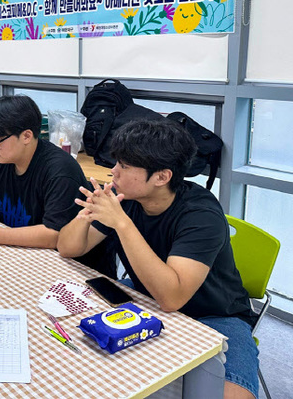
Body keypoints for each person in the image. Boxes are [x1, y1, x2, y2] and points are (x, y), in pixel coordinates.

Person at [56, 118, 258, 399]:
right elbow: (67, 248)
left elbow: (172, 298)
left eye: (124, 166)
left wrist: (122, 224)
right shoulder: (123, 197)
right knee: (98, 374)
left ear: (162, 177)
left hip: (215, 316)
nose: (113, 171)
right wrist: (87, 213)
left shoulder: (200, 215)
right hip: (146, 299)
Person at [0, 95, 115, 276]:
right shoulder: (2, 159)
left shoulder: (60, 171)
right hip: (20, 255)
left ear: (26, 136)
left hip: (70, 269)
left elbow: (53, 234)